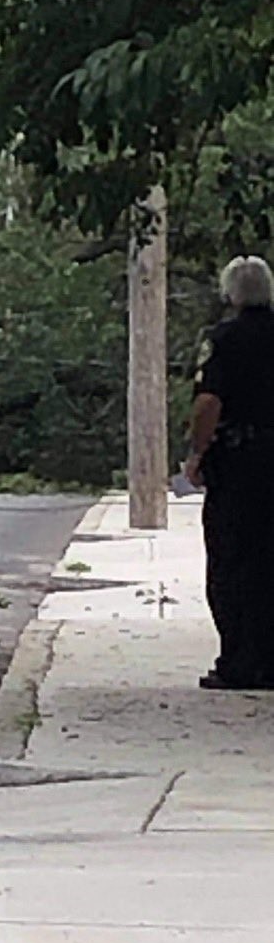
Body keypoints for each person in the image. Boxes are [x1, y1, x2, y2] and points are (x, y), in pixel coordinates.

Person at [186, 255, 274, 689]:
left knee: (233, 562)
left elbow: (208, 403)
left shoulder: (223, 340)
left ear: (230, 294)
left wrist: (197, 453)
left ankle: (239, 662)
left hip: (241, 465)